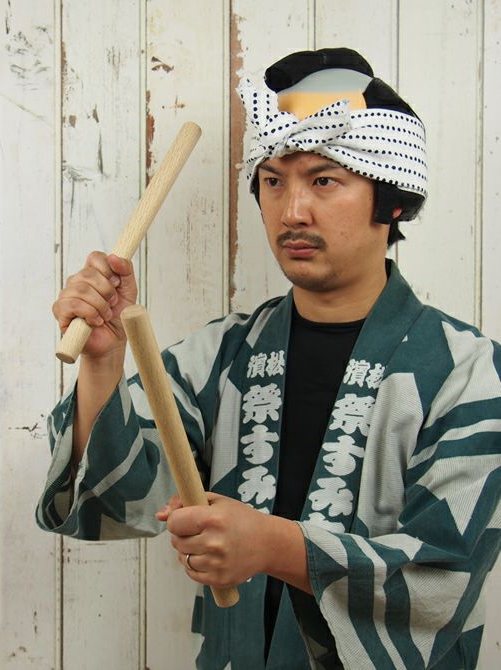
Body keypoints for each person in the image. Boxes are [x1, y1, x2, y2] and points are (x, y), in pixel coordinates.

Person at [36, 48, 501, 669]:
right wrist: (103, 361)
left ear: (392, 200)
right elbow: (120, 500)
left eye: (324, 180)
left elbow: (445, 573)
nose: (291, 211)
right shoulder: (221, 355)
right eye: (274, 181)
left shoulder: (469, 371)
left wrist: (272, 546)